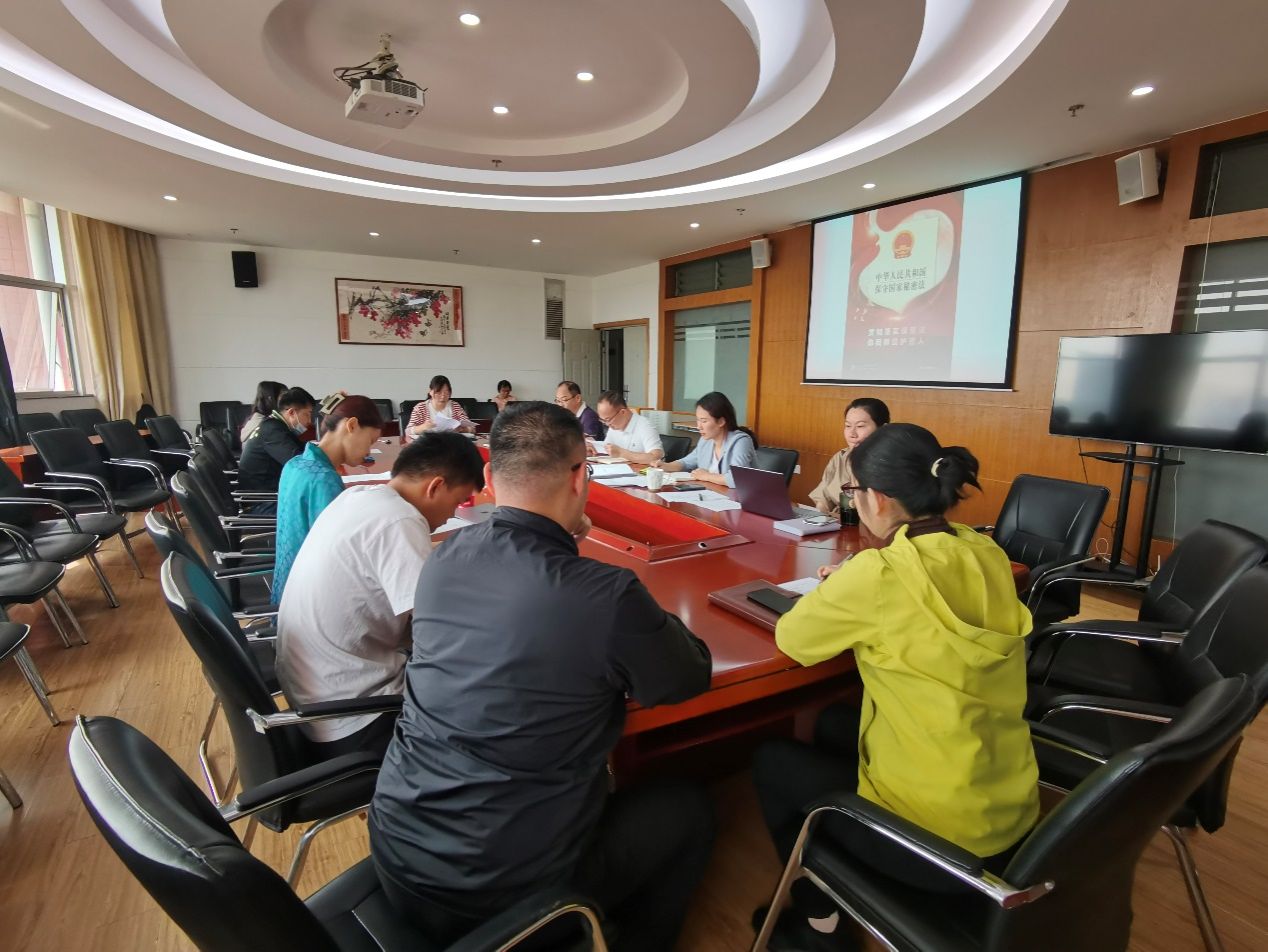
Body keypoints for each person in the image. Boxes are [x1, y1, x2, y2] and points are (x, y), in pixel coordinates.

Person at [370, 401, 715, 952]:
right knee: (688, 809)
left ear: (488, 478)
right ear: (581, 477)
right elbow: (684, 677)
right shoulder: (605, 595)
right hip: (502, 890)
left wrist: (564, 549)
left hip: (396, 847)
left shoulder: (445, 557)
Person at [752, 424, 1037, 950]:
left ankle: (820, 921)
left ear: (878, 499)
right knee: (834, 722)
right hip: (1011, 815)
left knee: (772, 760)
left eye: (855, 491)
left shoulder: (880, 574)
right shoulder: (986, 551)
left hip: (935, 847)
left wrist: (848, 582)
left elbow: (795, 638)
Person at [275, 433, 485, 758]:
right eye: (457, 502)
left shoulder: (358, 497)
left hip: (314, 697)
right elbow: (444, 634)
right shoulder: (400, 521)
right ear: (435, 487)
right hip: (354, 718)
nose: (451, 514)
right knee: (486, 697)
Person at [272, 395, 384, 602]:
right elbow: (340, 559)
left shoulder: (295, 464)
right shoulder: (324, 480)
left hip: (285, 591)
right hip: (307, 601)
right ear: (351, 425)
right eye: (370, 441)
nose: (369, 451)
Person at [809, 397, 890, 519]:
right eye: (848, 426)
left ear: (883, 429)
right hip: (835, 523)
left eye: (860, 426)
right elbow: (823, 498)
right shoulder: (841, 457)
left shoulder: (892, 463)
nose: (852, 434)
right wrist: (820, 517)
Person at [236, 387, 315, 509]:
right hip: (262, 503)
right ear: (291, 413)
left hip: (271, 497)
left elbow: (302, 450)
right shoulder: (272, 431)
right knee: (317, 507)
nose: (309, 421)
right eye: (307, 414)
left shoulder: (276, 426)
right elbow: (299, 464)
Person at [658, 391, 756, 488]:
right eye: (698, 420)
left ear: (721, 421)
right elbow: (686, 462)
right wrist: (665, 466)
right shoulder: (706, 440)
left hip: (739, 497)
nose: (699, 426)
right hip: (711, 494)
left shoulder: (741, 442)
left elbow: (737, 479)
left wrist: (707, 476)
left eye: (704, 421)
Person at [594, 390, 664, 464]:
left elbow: (656, 458)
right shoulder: (613, 427)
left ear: (623, 412)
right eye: (603, 420)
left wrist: (622, 453)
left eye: (608, 420)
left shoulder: (645, 426)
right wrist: (594, 450)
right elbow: (608, 450)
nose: (607, 424)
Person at [404, 374, 474, 440]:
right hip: (428, 444)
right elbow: (408, 431)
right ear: (430, 391)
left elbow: (472, 429)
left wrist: (462, 429)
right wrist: (423, 427)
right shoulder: (421, 408)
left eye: (446, 392)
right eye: (439, 392)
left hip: (451, 443)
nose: (443, 396)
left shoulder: (455, 406)